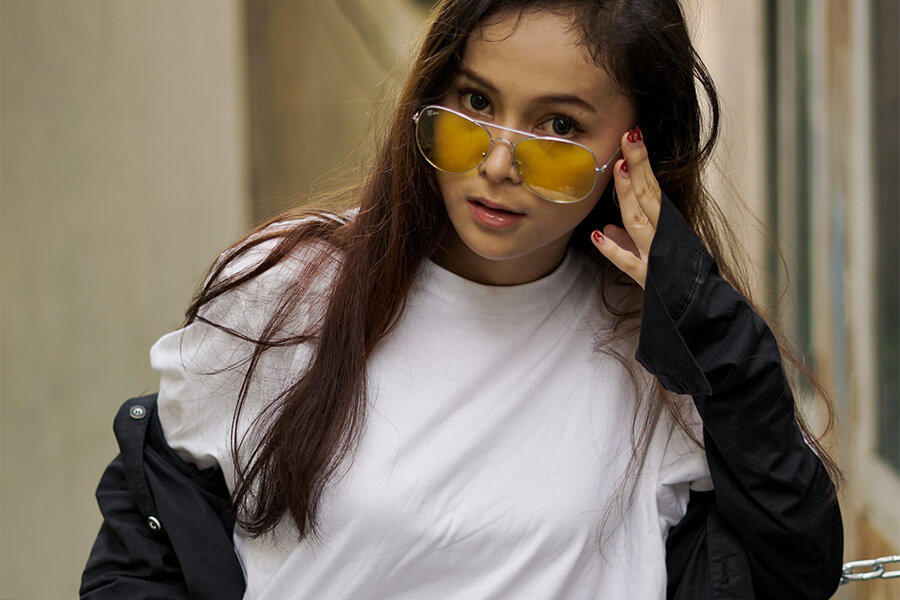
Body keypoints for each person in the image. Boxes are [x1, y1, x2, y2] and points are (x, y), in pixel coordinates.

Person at [81, 0, 844, 598]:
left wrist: (702, 316)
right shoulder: (288, 291)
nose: (499, 161)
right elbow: (147, 535)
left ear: (634, 150)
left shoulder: (669, 355)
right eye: (476, 102)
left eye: (558, 124)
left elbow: (795, 565)